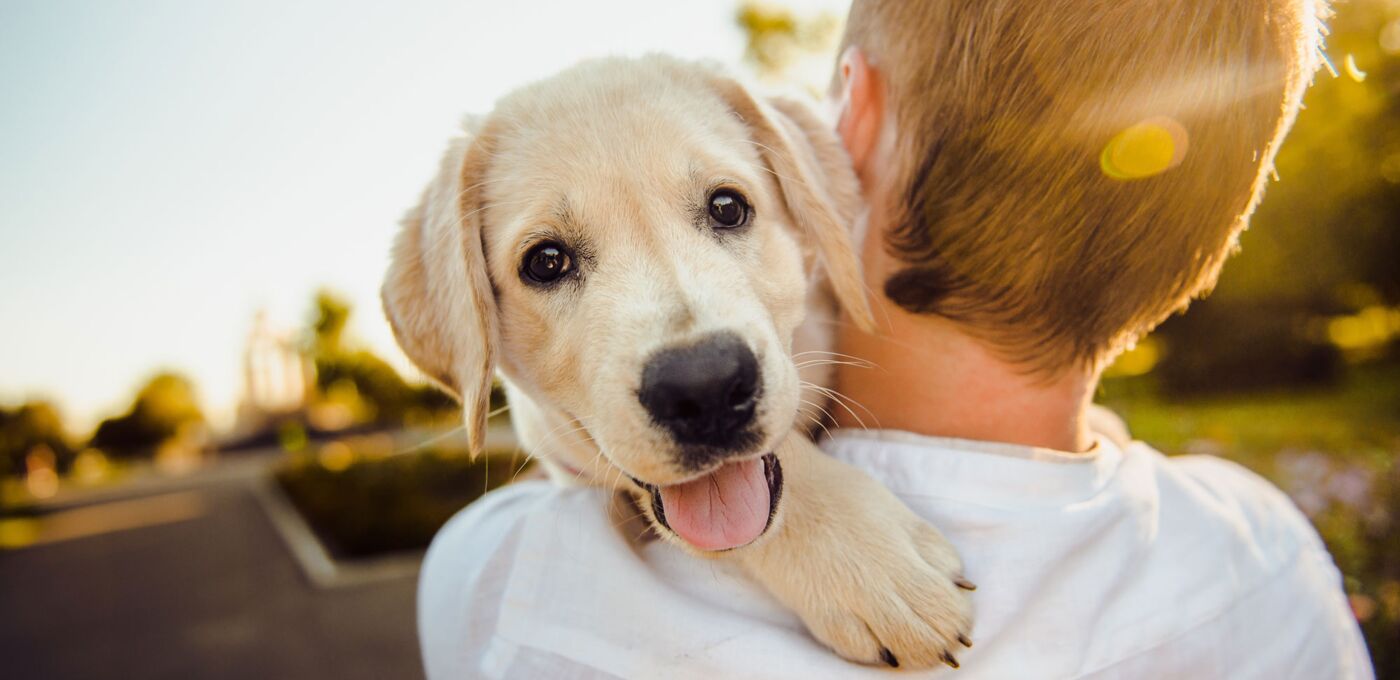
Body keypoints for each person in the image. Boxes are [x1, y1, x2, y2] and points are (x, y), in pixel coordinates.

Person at [417, 0, 1374, 677]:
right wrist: (797, 512)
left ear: (844, 137)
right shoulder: (1271, 560)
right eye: (550, 263)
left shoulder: (504, 589)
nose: (695, 352)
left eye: (723, 208)